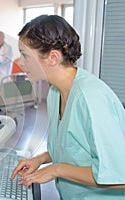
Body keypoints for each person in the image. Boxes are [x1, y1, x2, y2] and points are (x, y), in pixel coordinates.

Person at [10, 15, 125, 199]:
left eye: (24, 54)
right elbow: (71, 149)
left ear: (53, 57)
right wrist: (40, 159)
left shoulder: (91, 98)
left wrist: (56, 170)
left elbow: (120, 176)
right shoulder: (55, 93)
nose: (19, 62)